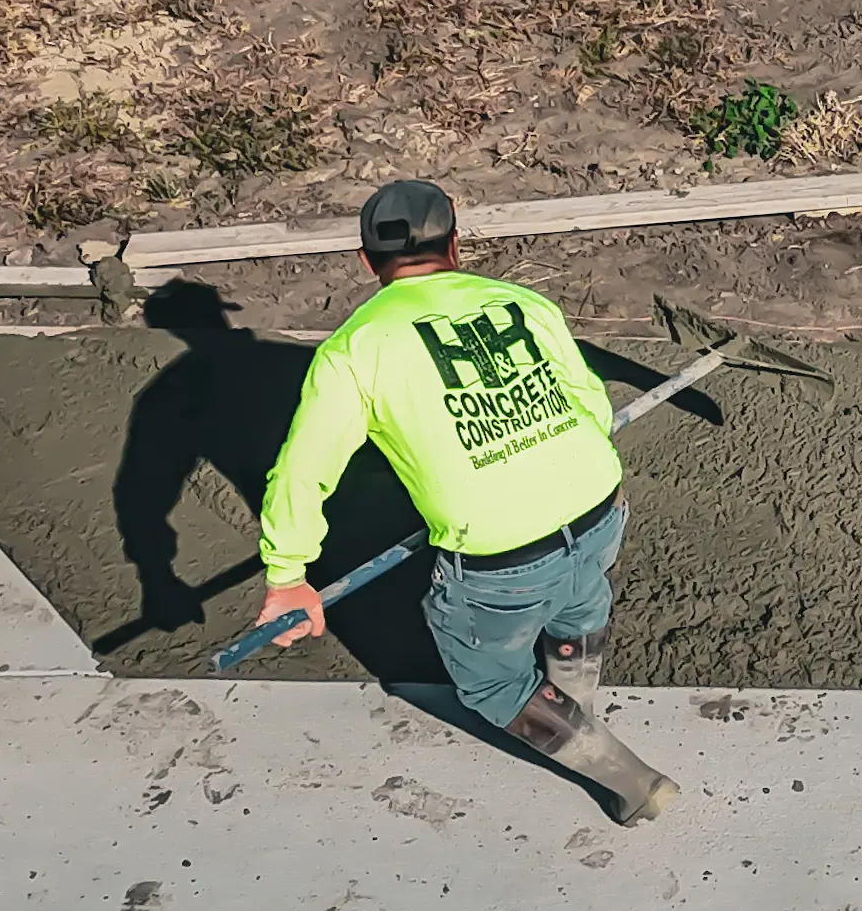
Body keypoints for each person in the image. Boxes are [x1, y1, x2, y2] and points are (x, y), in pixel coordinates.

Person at [253, 179, 678, 825]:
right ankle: (576, 706)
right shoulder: (522, 302)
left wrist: (287, 576)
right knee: (579, 600)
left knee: (491, 683)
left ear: (367, 260)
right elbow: (588, 399)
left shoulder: (354, 350)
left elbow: (302, 472)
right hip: (599, 509)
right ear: (455, 244)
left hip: (503, 559)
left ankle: (624, 776)